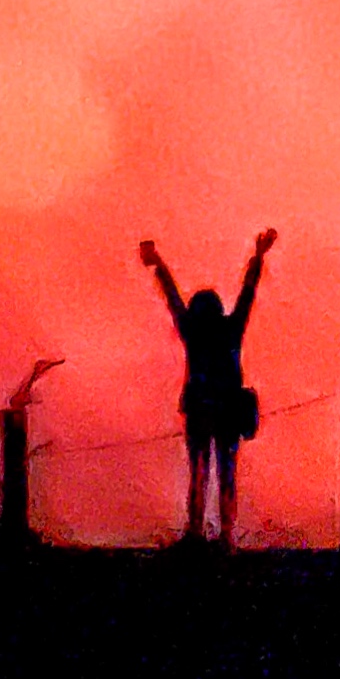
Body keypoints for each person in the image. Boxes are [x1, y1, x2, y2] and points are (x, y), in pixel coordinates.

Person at [140, 229, 276, 546]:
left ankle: (196, 531)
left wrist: (158, 263)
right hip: (228, 410)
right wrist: (258, 256)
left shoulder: (192, 331)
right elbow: (247, 293)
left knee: (198, 472)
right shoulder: (231, 329)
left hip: (200, 409)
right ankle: (226, 534)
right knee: (226, 472)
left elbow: (172, 297)